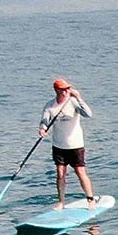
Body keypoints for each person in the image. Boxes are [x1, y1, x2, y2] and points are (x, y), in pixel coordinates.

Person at [38, 77, 95, 210]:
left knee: (80, 172)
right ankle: (61, 202)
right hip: (59, 145)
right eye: (63, 89)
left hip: (75, 145)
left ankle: (90, 199)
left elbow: (88, 114)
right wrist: (42, 129)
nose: (67, 91)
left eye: (68, 88)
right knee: (60, 174)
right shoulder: (50, 105)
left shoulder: (74, 102)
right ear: (57, 90)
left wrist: (79, 97)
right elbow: (45, 121)